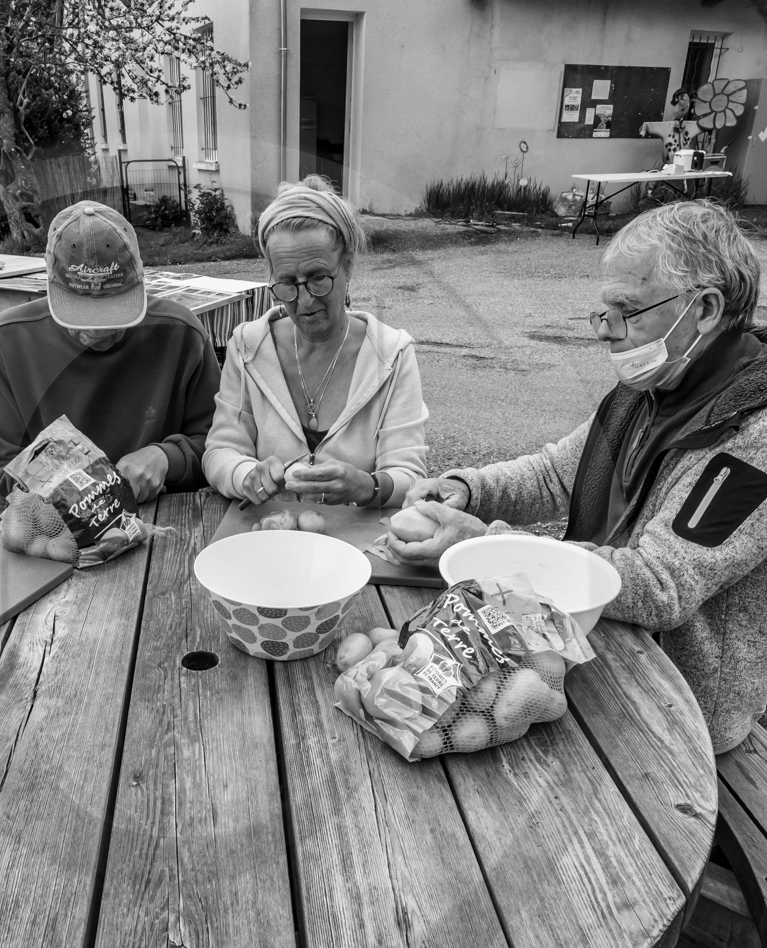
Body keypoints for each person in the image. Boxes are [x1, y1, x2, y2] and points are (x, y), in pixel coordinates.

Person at [389, 200, 767, 754]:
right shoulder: (651, 388)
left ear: (705, 309)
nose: (605, 332)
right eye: (605, 311)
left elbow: (662, 584)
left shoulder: (752, 437)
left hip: (675, 710)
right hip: (583, 650)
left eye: (627, 309)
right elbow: (555, 474)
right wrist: (467, 488)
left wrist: (483, 546)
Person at [202, 176, 427, 507]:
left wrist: (367, 486)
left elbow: (410, 476)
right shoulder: (249, 347)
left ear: (347, 266)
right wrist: (246, 475)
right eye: (287, 283)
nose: (305, 302)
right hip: (271, 539)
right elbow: (221, 451)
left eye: (319, 278)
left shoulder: (391, 356)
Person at [0, 201, 220, 501]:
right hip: (57, 521)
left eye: (113, 312)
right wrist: (74, 486)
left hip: (167, 509)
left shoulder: (181, 332)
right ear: (49, 278)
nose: (96, 331)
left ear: (140, 278)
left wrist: (166, 458)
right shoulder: (5, 341)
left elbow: (218, 443)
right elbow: (3, 467)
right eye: (78, 314)